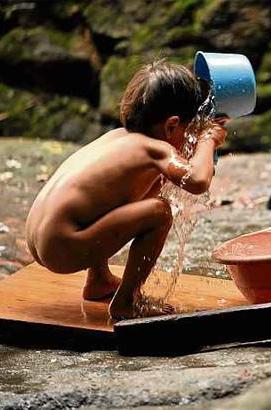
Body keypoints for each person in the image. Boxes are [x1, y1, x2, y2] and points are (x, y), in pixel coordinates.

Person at [25, 60, 227, 320]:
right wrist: (208, 140)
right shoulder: (155, 149)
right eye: (191, 131)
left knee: (143, 190)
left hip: (44, 238)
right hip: (62, 249)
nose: (192, 138)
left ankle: (98, 280)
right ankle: (126, 301)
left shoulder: (115, 138)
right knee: (159, 212)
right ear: (171, 126)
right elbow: (197, 181)